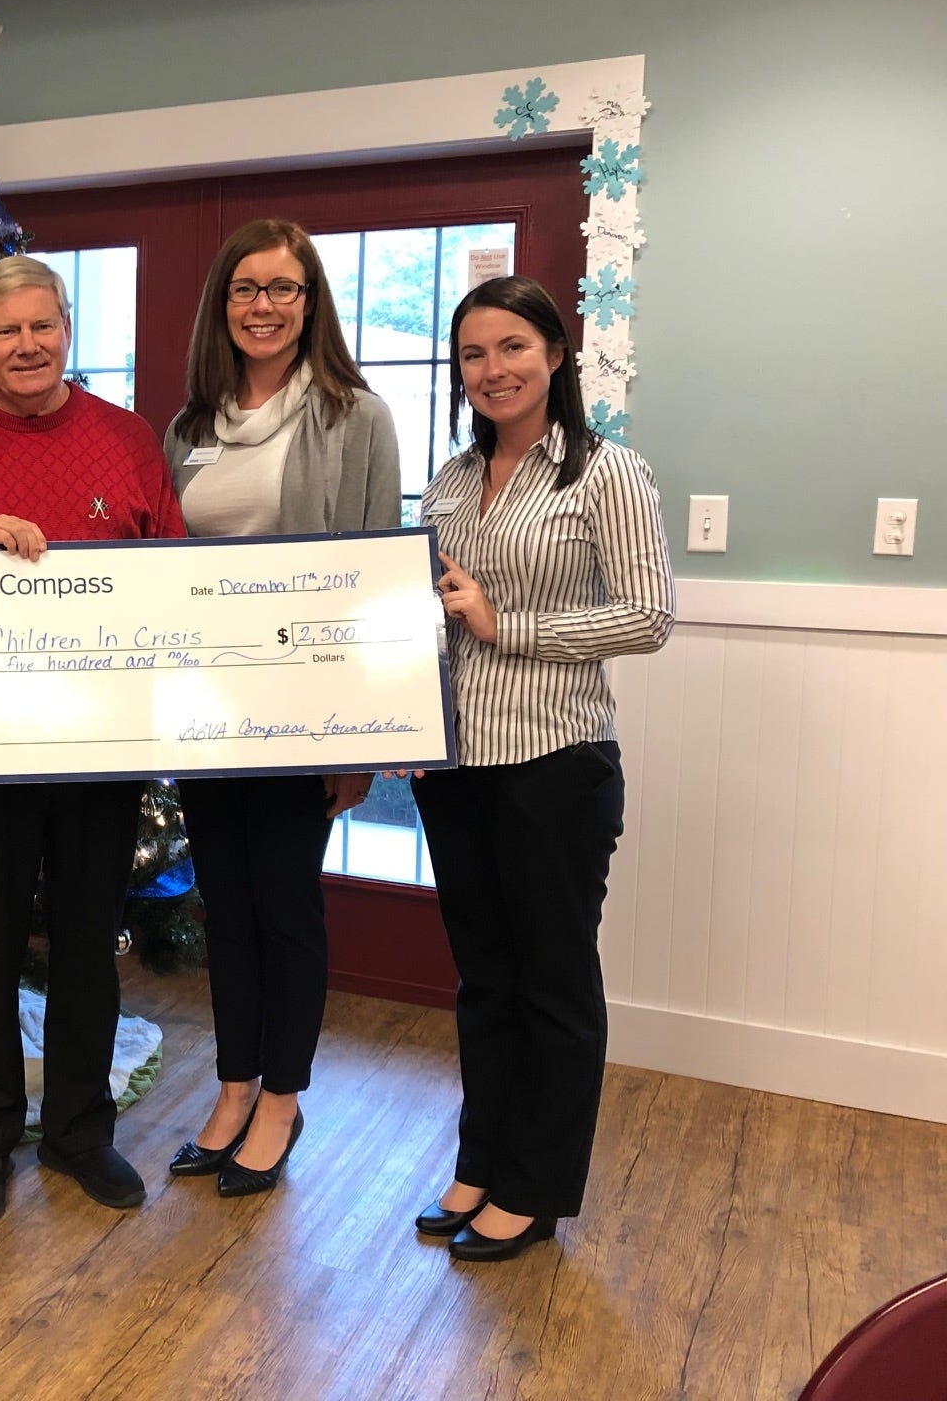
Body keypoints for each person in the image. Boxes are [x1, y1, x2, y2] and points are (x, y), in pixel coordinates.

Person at [0, 254, 187, 1223]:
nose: (26, 344)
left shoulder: (127, 440)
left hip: (99, 748)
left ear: (66, 330)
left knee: (89, 942)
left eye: (41, 325)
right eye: (5, 329)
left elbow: (170, 571)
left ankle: (80, 1134)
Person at [400, 274, 673, 1262]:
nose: (493, 369)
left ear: (556, 356)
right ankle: (481, 1163)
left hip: (556, 761)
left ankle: (534, 1187)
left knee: (552, 982)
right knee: (485, 980)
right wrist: (408, 725)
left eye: (513, 347)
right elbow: (418, 614)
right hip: (457, 765)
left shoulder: (607, 473)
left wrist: (505, 623)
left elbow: (649, 616)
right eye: (473, 354)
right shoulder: (447, 481)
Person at [159, 219, 402, 1198]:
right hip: (208, 711)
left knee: (286, 904)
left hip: (308, 714)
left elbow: (374, 577)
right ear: (222, 305)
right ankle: (232, 1087)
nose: (264, 306)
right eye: (246, 289)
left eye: (284, 289)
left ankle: (282, 1099)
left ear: (311, 303)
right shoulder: (191, 428)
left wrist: (363, 738)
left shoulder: (356, 418)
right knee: (226, 905)